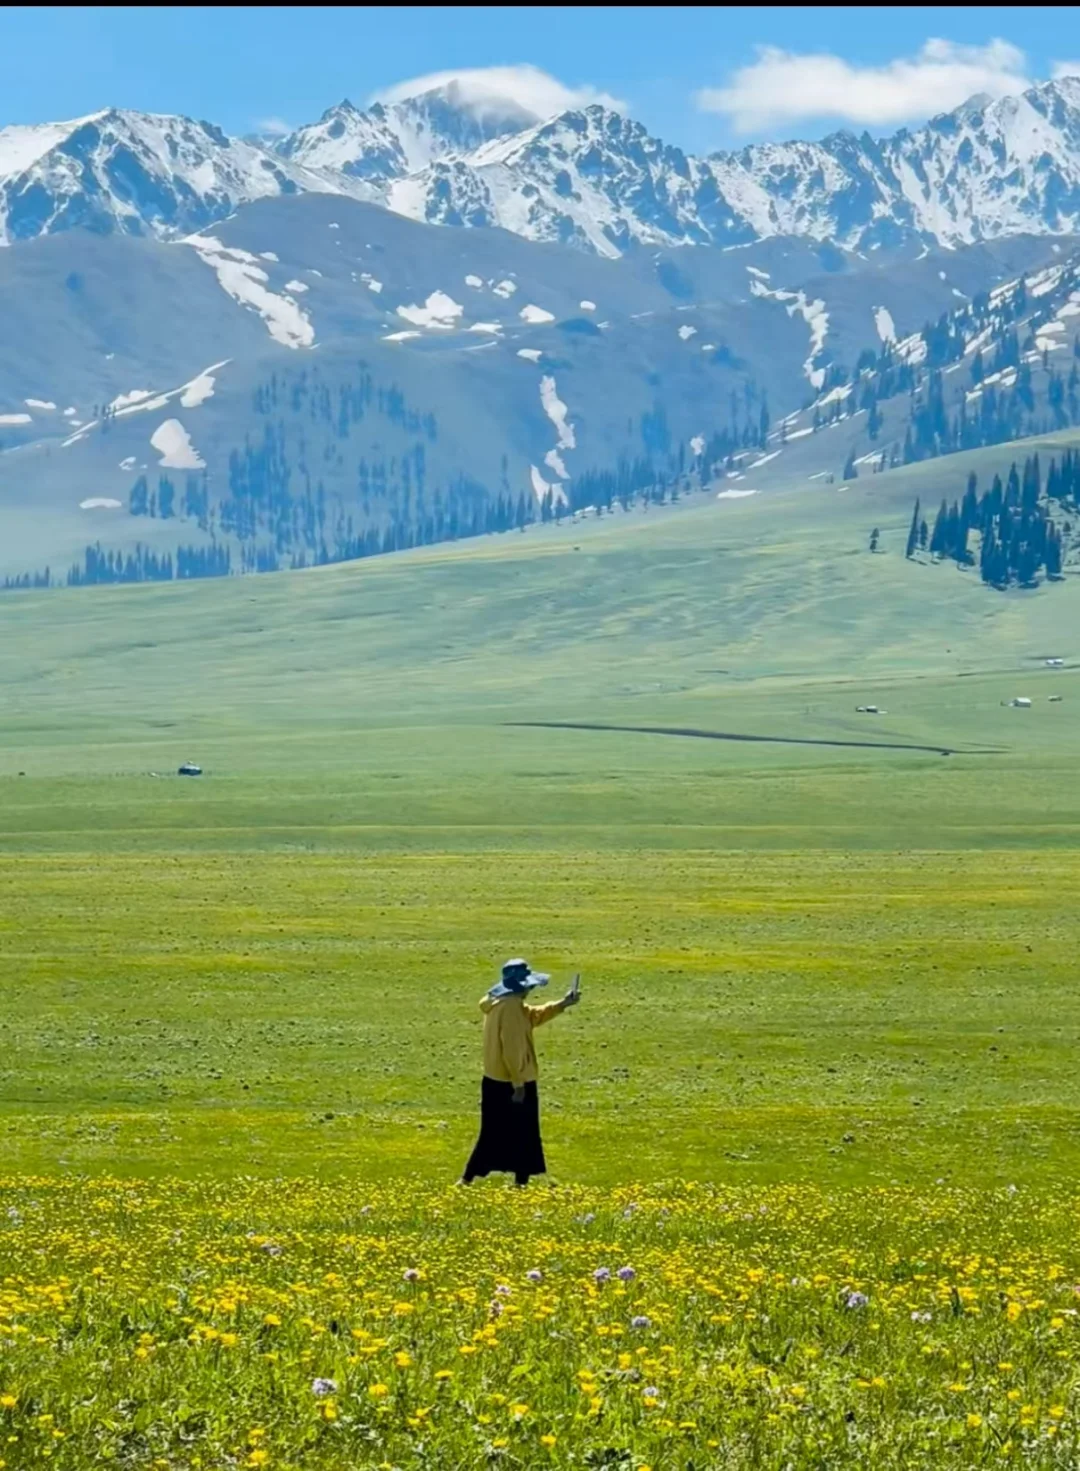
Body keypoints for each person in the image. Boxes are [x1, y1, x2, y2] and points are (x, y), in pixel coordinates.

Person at [461, 958, 580, 1187]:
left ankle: (470, 1178)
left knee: (493, 1133)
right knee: (524, 1134)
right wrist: (518, 1084)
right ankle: (518, 1182)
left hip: (494, 1078)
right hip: (512, 1081)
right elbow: (512, 1049)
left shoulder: (501, 1003)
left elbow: (532, 1016)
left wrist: (563, 1004)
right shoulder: (511, 1008)